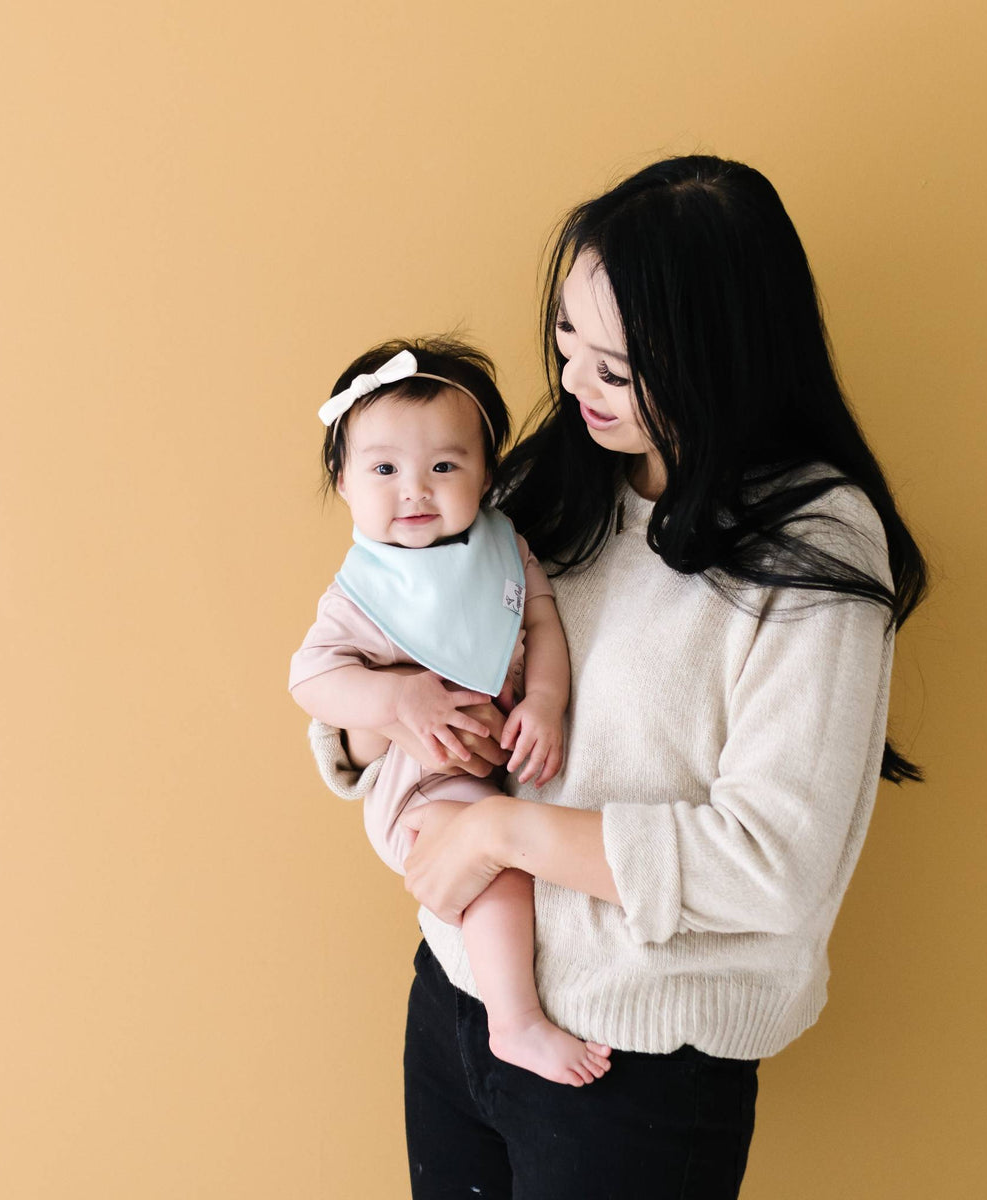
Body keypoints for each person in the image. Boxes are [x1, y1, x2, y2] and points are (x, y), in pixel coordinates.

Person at [309, 156, 929, 1200]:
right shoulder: (550, 480)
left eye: (617, 367)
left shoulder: (817, 543)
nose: (574, 388)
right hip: (456, 1003)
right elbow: (383, 647)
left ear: (719, 357)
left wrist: (500, 832)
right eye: (566, 343)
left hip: (633, 1076)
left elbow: (776, 864)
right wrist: (385, 720)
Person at [289, 338, 612, 1086]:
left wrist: (549, 699)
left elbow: (541, 624)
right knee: (499, 871)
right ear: (344, 480)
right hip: (424, 788)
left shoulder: (503, 548)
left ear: (487, 473)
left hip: (501, 770)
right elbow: (311, 678)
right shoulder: (364, 592)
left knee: (507, 848)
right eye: (383, 469)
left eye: (444, 465)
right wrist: (397, 696)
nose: (415, 491)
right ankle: (515, 1023)